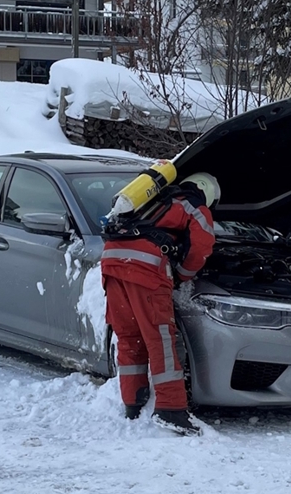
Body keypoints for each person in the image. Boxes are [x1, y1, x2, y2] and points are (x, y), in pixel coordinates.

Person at [101, 173, 220, 436]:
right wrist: (183, 275)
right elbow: (201, 246)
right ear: (207, 192)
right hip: (145, 269)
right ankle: (170, 409)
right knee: (160, 339)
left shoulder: (153, 199)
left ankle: (133, 402)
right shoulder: (194, 206)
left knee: (129, 336)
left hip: (112, 262)